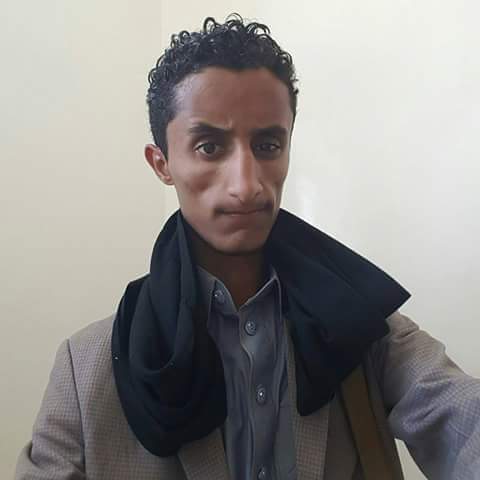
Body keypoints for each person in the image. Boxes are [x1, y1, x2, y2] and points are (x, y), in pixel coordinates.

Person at [15, 13, 480, 480]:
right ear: (162, 163)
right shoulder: (84, 368)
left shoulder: (360, 327)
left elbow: (459, 417)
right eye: (209, 147)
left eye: (268, 145)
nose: (246, 185)